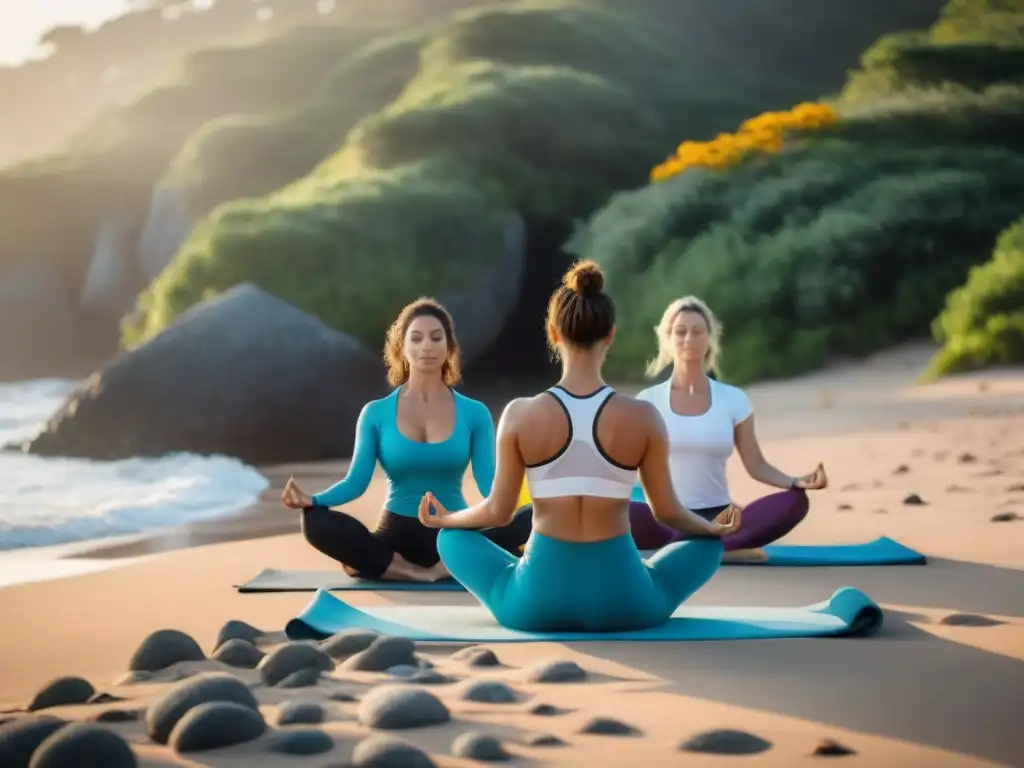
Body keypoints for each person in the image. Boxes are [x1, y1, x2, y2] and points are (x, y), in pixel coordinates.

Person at [416, 261, 741, 632]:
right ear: (610, 336)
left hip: (536, 605)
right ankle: (646, 579)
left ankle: (512, 578)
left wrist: (446, 519)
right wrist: (711, 529)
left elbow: (498, 511)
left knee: (451, 539)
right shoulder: (643, 416)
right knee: (707, 547)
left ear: (553, 334)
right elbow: (667, 513)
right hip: (626, 604)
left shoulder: (520, 414)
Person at [280, 298, 532, 582]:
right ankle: (405, 569)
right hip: (395, 539)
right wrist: (312, 499)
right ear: (402, 346)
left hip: (457, 534)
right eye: (417, 338)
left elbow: (490, 485)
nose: (427, 346)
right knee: (313, 520)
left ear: (449, 346)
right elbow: (356, 482)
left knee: (535, 515)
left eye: (436, 338)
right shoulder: (376, 413)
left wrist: (531, 504)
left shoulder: (474, 413)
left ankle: (441, 567)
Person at [627, 296, 828, 564]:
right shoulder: (648, 400)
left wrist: (795, 481)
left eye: (697, 331)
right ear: (668, 338)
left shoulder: (732, 399)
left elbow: (757, 465)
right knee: (615, 513)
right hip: (665, 515)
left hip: (720, 516)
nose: (688, 338)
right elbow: (627, 466)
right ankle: (721, 547)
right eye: (680, 331)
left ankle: (700, 544)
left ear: (708, 337)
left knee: (794, 502)